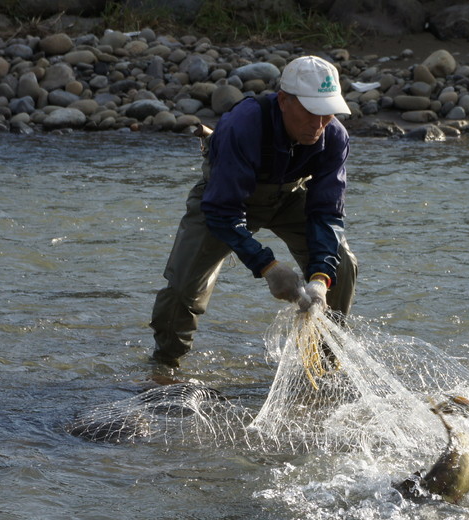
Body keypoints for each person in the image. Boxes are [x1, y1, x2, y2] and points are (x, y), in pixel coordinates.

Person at [149, 54, 358, 368]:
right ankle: (165, 362)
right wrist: (269, 267)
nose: (319, 125)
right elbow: (222, 211)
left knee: (341, 265)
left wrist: (319, 278)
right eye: (311, 112)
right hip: (227, 200)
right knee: (182, 288)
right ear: (284, 100)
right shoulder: (242, 125)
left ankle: (325, 363)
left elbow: (326, 213)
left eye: (328, 113)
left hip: (291, 198)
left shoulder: (334, 136)